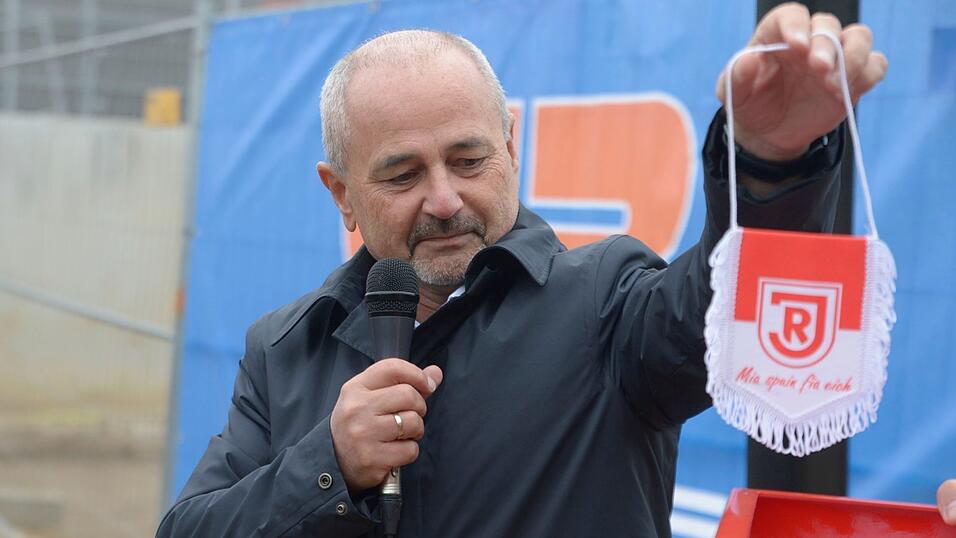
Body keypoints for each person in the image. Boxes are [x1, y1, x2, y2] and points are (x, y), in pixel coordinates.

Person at [157, 3, 887, 536]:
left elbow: (724, 309)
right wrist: (330, 463)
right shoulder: (284, 347)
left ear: (511, 145)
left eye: (469, 160)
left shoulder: (606, 302)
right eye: (403, 175)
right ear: (341, 193)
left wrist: (770, 165)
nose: (444, 200)